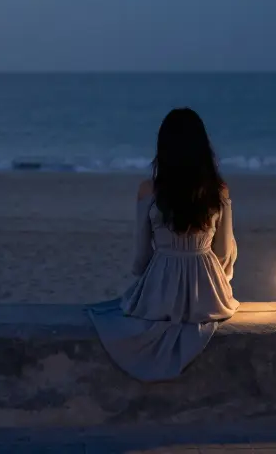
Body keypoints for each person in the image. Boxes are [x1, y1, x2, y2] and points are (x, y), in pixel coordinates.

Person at [88, 107, 239, 381]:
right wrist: (220, 280)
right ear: (203, 147)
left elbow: (141, 257)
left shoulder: (149, 190)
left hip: (160, 290)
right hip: (207, 293)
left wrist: (150, 280)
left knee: (113, 314)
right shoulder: (219, 190)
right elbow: (224, 252)